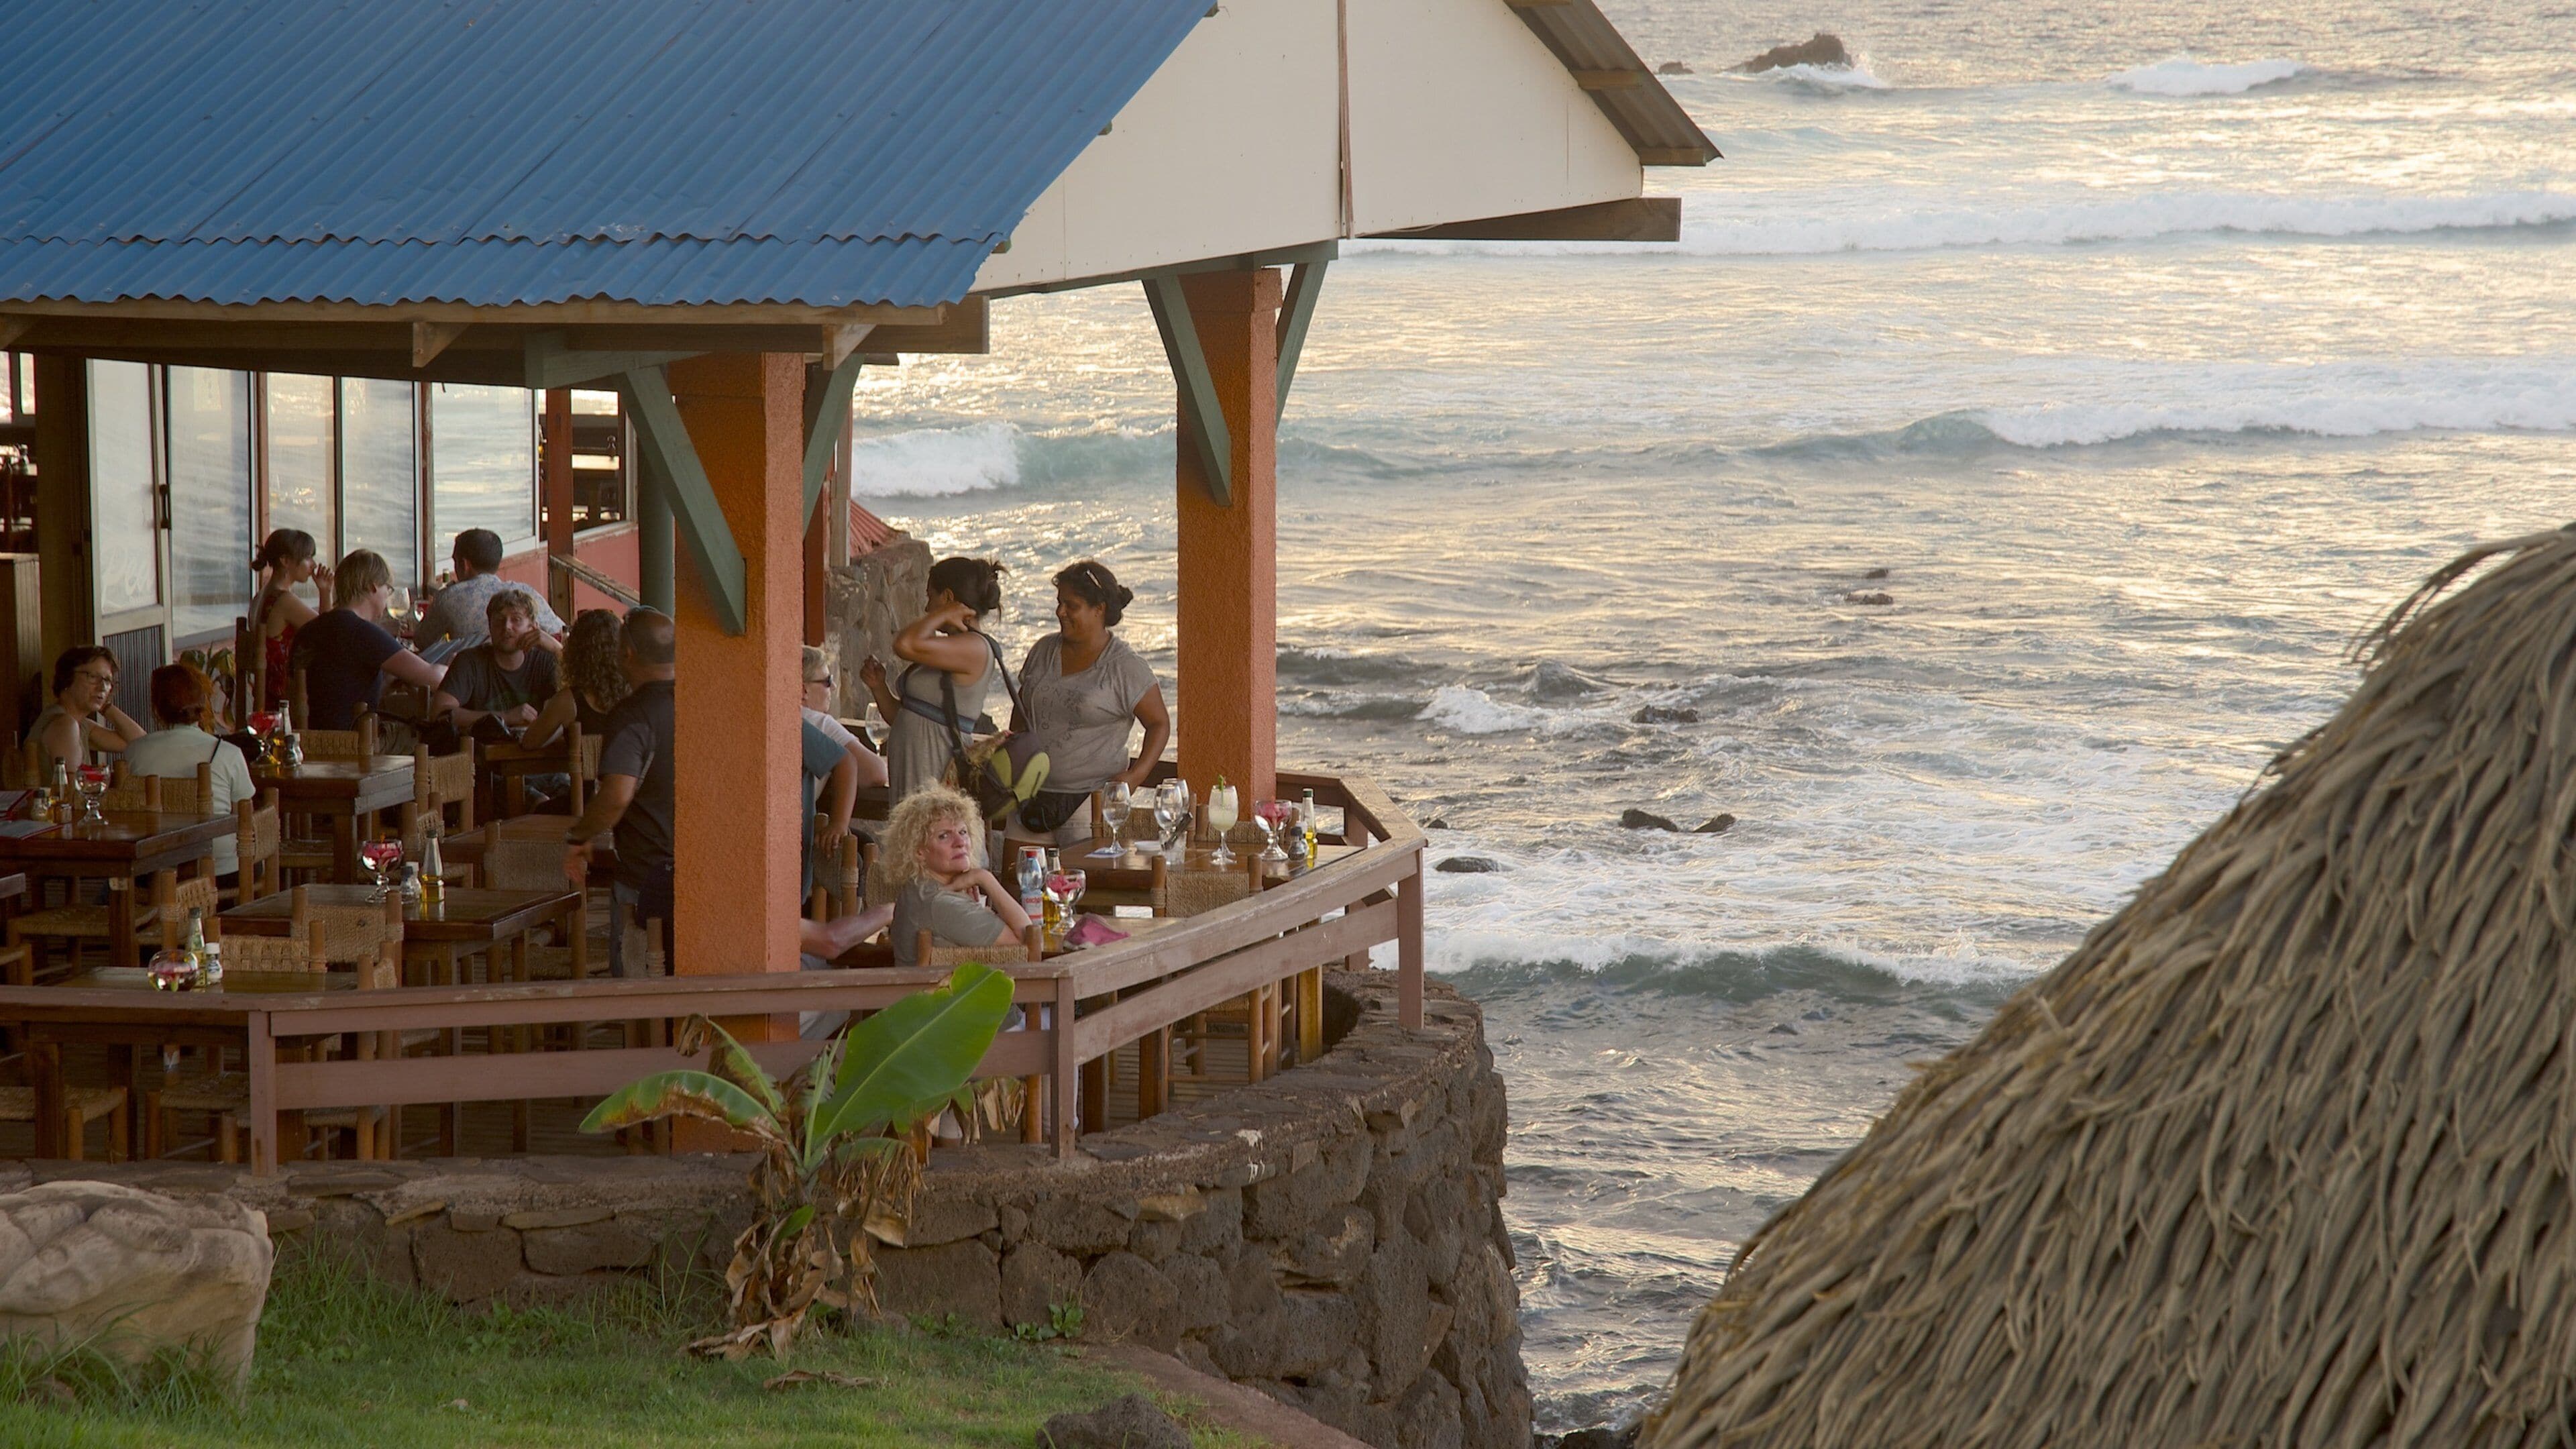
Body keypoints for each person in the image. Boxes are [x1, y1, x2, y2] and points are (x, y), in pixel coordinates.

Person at [1007, 559, 1170, 847]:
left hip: (1091, 803)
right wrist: (1012, 758)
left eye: (1071, 605)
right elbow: (1022, 710)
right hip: (1028, 794)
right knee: (1015, 887)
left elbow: (1159, 723)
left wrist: (1136, 775)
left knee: (1078, 890)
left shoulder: (1125, 667)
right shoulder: (1043, 651)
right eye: (1059, 603)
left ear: (1099, 609)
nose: (1060, 612)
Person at [563, 608, 676, 977]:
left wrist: (580, 835)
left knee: (633, 986)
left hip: (645, 878)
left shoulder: (632, 716)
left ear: (626, 653)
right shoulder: (702, 705)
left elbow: (617, 795)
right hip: (700, 873)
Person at [859, 557, 1006, 806]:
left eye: (931, 597)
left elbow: (903, 644)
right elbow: (907, 717)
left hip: (935, 764)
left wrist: (946, 613)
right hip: (916, 766)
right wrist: (879, 687)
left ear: (948, 598)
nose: (927, 608)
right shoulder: (945, 649)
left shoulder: (976, 647)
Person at [124, 663, 257, 879]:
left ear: (156, 709)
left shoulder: (135, 751)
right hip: (221, 866)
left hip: (154, 867)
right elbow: (243, 812)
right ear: (203, 704)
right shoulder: (227, 753)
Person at [288, 549, 446, 730]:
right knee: (432, 732)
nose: (388, 595)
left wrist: (386, 683)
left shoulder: (308, 630)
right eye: (388, 588)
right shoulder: (362, 632)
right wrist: (454, 667)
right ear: (373, 587)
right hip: (354, 743)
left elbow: (338, 690)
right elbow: (433, 678)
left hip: (306, 741)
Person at [882, 784, 1032, 967]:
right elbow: (1027, 941)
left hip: (922, 993)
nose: (960, 842)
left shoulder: (917, 888)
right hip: (949, 996)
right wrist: (986, 879)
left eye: (963, 832)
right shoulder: (942, 903)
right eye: (944, 836)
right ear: (919, 851)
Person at [415, 527, 565, 660]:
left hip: (470, 684)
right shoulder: (526, 594)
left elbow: (422, 641)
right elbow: (561, 632)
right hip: (524, 677)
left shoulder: (449, 597)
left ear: (464, 564)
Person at [431, 590, 560, 739]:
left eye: (516, 620)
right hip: (479, 757)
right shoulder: (469, 661)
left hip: (537, 755)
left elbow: (576, 703)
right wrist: (505, 717)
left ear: (533, 628)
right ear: (490, 627)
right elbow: (439, 712)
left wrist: (558, 650)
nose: (507, 627)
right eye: (499, 620)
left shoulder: (546, 662)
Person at [523, 608, 631, 751]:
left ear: (575, 653)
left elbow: (529, 743)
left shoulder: (569, 701)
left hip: (592, 775)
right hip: (635, 773)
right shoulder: (636, 692)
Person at [247, 529, 331, 711]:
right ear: (285, 561)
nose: (314, 565)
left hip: (266, 694)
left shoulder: (261, 596)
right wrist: (325, 592)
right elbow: (328, 633)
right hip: (284, 700)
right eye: (308, 557)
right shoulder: (284, 600)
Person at [25, 646, 144, 774]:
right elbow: (74, 789)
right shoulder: (65, 725)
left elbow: (141, 743)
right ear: (67, 678)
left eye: (108, 680)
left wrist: (105, 706)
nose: (103, 687)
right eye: (93, 677)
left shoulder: (81, 724)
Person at [800, 645, 888, 792]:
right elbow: (876, 773)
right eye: (827, 681)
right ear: (804, 690)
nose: (834, 687)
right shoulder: (819, 723)